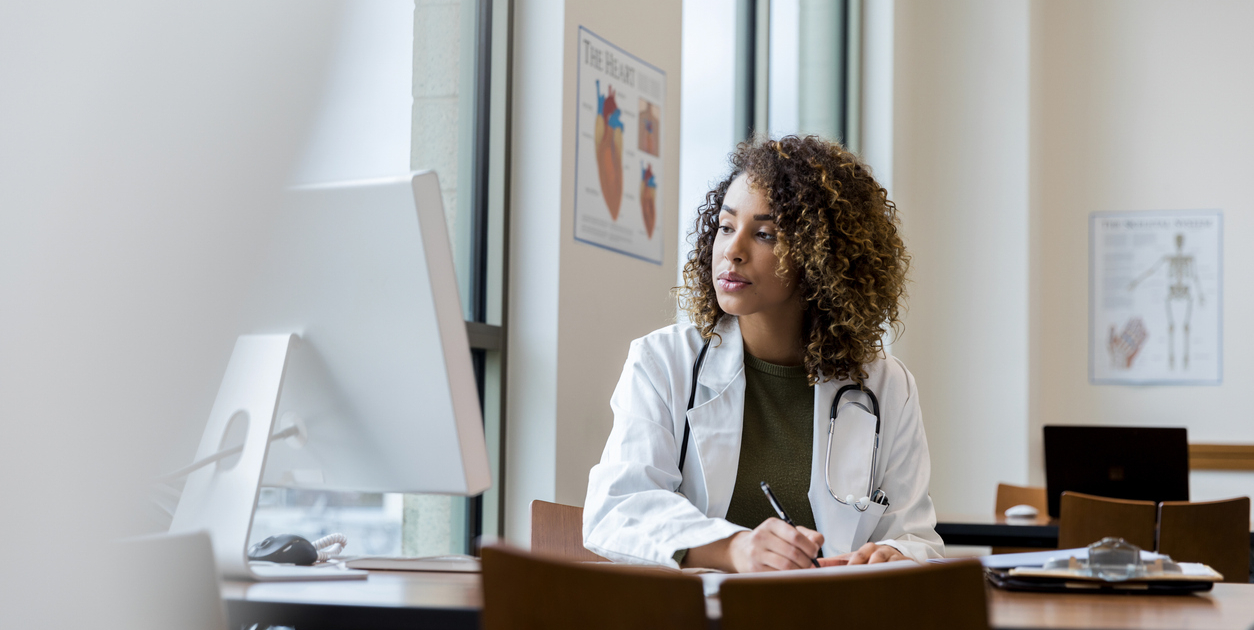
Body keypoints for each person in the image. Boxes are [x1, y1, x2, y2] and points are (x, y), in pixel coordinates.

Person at [583, 135, 943, 572]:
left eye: (765, 234)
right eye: (726, 226)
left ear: (821, 258)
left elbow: (917, 536)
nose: (732, 252)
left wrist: (895, 554)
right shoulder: (663, 362)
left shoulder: (888, 387)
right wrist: (732, 548)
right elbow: (618, 507)